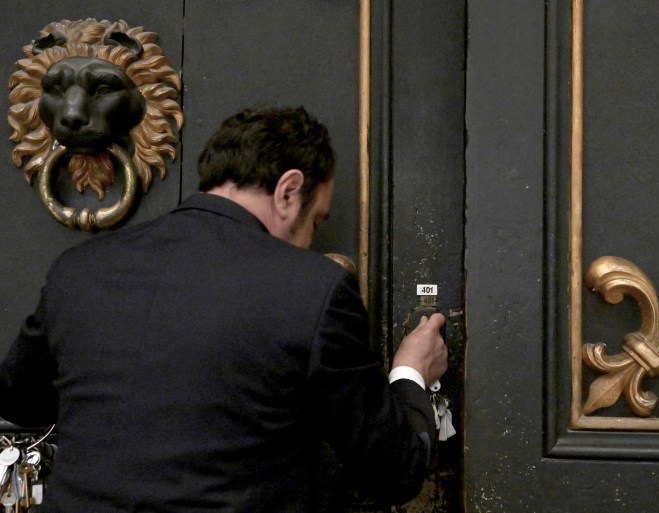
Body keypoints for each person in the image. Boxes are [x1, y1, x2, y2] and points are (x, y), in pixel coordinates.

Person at [0, 106, 448, 512]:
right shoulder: (314, 289)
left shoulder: (79, 270)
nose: (312, 239)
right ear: (289, 191)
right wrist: (410, 373)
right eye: (318, 221)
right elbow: (394, 473)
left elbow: (20, 400)